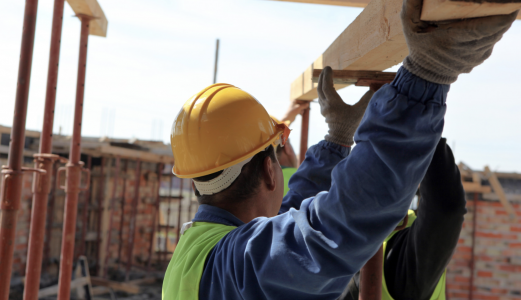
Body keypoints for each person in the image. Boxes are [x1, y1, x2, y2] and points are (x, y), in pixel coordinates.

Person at [162, 0, 517, 297]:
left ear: (197, 182)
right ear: (271, 172)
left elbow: (288, 221)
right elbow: (334, 227)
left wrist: (337, 139)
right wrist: (426, 76)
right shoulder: (236, 265)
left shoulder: (197, 254)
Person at [338, 138, 466, 300]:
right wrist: (421, 127)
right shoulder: (346, 237)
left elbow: (446, 210)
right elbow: (446, 208)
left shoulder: (394, 255)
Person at [273, 101, 309, 196]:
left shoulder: (253, 184)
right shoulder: (303, 180)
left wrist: (286, 120)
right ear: (287, 147)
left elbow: (268, 141)